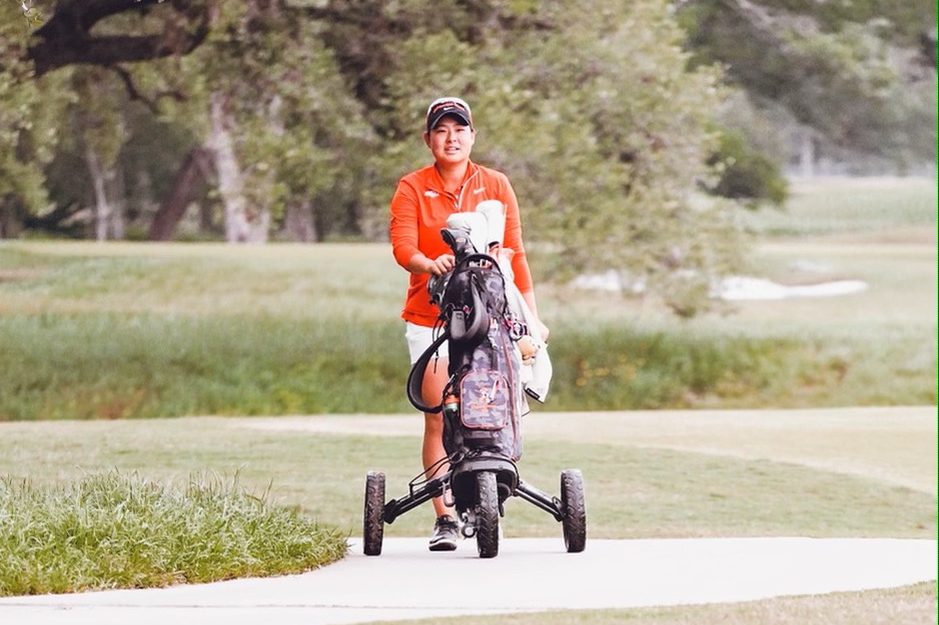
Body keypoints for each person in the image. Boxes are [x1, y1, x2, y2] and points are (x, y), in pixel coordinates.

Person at [389, 96, 549, 551]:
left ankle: (490, 486)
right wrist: (429, 262)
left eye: (459, 129)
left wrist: (533, 319)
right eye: (442, 131)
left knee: (496, 403)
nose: (451, 138)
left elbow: (515, 256)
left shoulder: (495, 184)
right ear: (429, 139)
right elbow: (403, 249)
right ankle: (443, 516)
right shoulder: (412, 187)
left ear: (472, 136)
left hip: (494, 317)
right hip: (432, 317)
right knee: (441, 411)